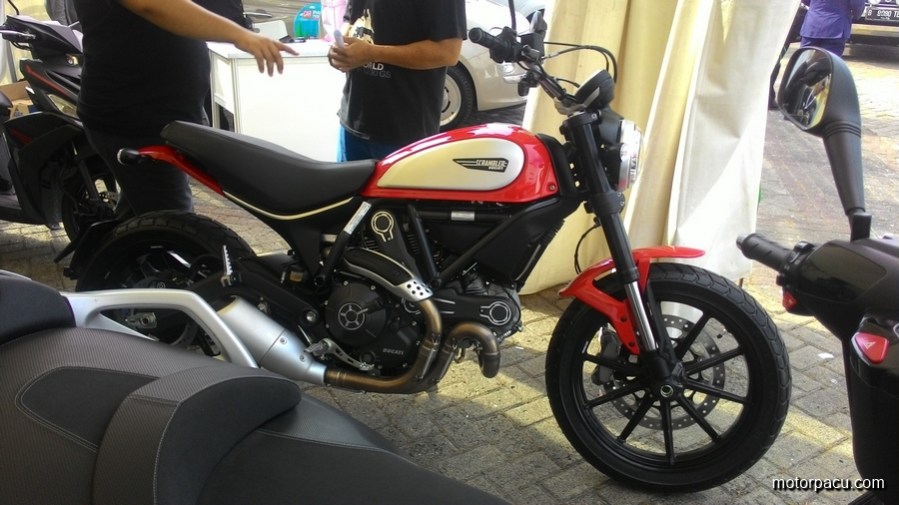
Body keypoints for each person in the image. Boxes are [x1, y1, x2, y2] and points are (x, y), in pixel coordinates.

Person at [73, 0, 297, 216]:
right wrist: (239, 35)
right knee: (175, 227)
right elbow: (151, 5)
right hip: (135, 118)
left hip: (164, 113)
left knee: (142, 215)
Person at [327, 0, 466, 161]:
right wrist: (339, 51)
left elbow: (447, 52)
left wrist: (371, 53)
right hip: (352, 121)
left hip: (405, 134)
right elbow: (351, 22)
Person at [798, 0, 866, 57]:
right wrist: (856, 15)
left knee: (802, 60)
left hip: (812, 25)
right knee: (828, 62)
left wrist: (817, 7)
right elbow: (858, 5)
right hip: (836, 28)